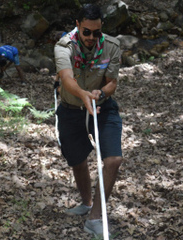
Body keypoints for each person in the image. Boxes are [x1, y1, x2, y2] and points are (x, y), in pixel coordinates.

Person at [54, 3, 123, 238]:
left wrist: (100, 94)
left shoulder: (112, 46)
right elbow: (66, 78)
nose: (92, 37)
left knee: (113, 160)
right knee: (77, 159)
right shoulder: (64, 46)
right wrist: (83, 94)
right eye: (87, 32)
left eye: (97, 32)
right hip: (71, 108)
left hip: (102, 108)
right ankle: (86, 203)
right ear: (77, 26)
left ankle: (95, 218)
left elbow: (112, 82)